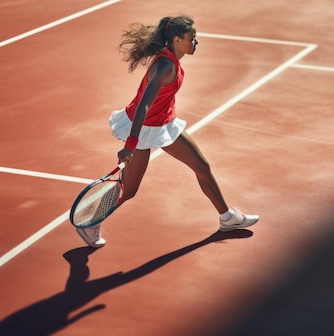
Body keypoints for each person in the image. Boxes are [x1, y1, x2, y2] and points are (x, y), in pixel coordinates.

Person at [76, 15, 259, 248]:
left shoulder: (172, 60)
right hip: (143, 129)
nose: (196, 42)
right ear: (176, 39)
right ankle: (89, 223)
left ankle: (227, 217)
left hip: (164, 123)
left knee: (202, 167)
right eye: (192, 38)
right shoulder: (165, 66)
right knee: (129, 190)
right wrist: (130, 144)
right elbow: (143, 104)